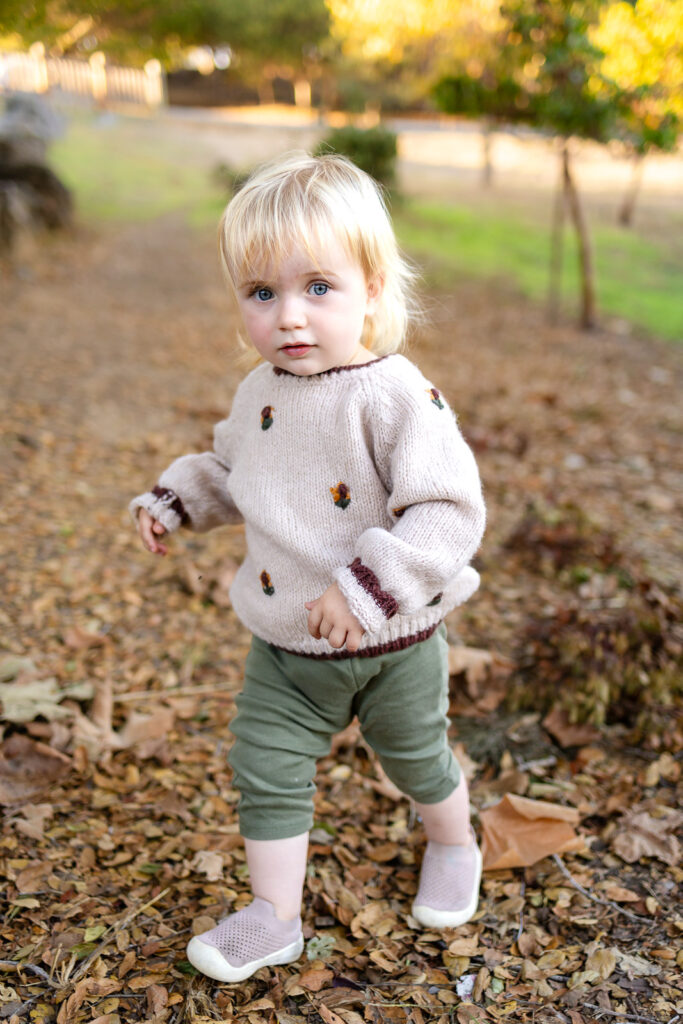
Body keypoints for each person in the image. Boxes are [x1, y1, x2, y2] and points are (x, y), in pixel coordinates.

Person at [130, 152, 486, 984]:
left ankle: (453, 841)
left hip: (393, 641)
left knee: (416, 761)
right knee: (264, 764)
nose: (289, 315)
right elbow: (234, 472)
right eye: (262, 293)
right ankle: (273, 915)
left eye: (317, 287)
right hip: (287, 651)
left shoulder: (395, 395)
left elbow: (447, 510)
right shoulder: (260, 391)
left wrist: (364, 590)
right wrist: (177, 500)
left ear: (370, 286)